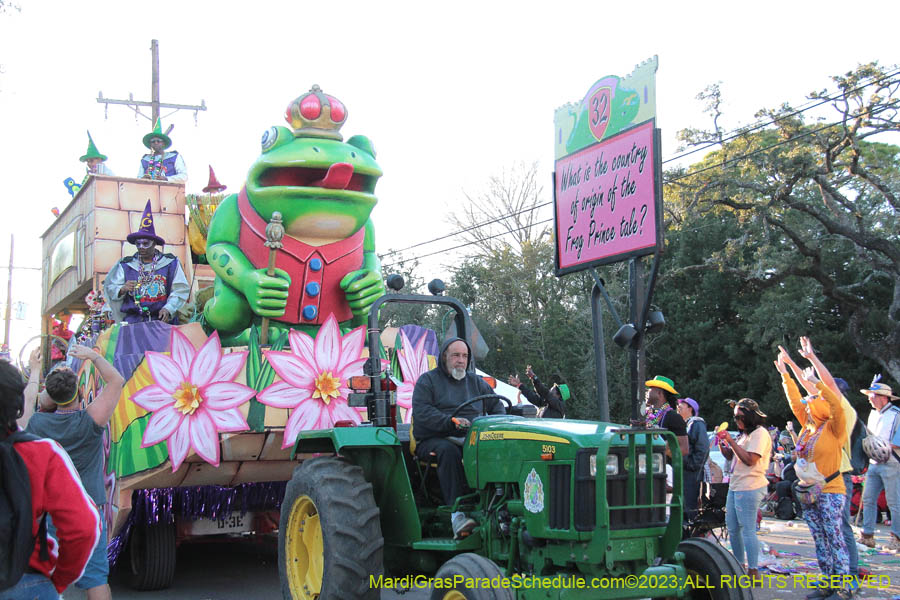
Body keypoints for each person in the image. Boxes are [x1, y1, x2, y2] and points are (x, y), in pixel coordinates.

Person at [20, 346, 125, 600]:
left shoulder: (37, 425)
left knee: (45, 577)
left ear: (51, 397)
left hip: (50, 513)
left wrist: (35, 372)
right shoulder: (90, 421)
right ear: (78, 391)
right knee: (96, 578)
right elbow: (117, 381)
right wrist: (93, 356)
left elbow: (23, 413)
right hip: (89, 508)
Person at [1, 357, 100, 599]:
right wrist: (60, 579)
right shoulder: (40, 452)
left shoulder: (37, 425)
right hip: (25, 579)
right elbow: (83, 527)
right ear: (17, 404)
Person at [777, 343, 852, 599]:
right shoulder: (808, 428)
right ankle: (827, 583)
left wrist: (817, 384)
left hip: (831, 489)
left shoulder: (835, 426)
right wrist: (785, 375)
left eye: (813, 402)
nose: (807, 405)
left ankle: (842, 587)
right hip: (809, 491)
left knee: (834, 537)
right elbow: (796, 402)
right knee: (820, 539)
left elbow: (833, 399)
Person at [412, 338, 505, 539]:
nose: (460, 360)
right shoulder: (427, 381)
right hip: (436, 438)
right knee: (449, 450)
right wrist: (450, 422)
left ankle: (498, 506)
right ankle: (458, 515)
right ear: (445, 356)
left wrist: (501, 420)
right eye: (456, 355)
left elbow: (496, 405)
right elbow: (423, 413)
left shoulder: (475, 382)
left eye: (464, 356)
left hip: (472, 438)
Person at [103, 199, 189, 324]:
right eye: (138, 244)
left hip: (162, 323)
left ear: (154, 244)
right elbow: (111, 287)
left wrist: (168, 308)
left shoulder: (170, 263)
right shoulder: (126, 265)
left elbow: (179, 289)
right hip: (133, 324)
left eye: (145, 243)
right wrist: (122, 289)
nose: (141, 247)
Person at [716, 397, 771, 581]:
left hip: (750, 486)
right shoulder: (745, 434)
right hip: (736, 485)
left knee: (747, 529)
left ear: (750, 416)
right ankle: (739, 566)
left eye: (740, 416)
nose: (737, 420)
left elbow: (750, 460)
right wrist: (723, 443)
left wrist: (731, 441)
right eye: (734, 417)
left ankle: (753, 570)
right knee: (732, 528)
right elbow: (732, 457)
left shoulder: (760, 434)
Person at [857, 376, 900, 552]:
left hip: (892, 462)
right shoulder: (873, 414)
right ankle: (867, 535)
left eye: (872, 395)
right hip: (874, 462)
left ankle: (897, 537)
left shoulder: (897, 414)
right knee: (868, 499)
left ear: (883, 397)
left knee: (894, 502)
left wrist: (879, 446)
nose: (869, 398)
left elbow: (897, 442)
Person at [677, 397, 709, 519]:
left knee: (689, 506)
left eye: (681, 406)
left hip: (691, 473)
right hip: (684, 471)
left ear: (690, 408)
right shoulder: (685, 424)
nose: (678, 409)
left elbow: (703, 448)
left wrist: (691, 465)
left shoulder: (696, 423)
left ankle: (689, 534)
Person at [640, 376, 688, 456]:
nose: (646, 391)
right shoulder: (644, 414)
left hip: (663, 466)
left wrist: (658, 455)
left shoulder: (674, 417)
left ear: (659, 393)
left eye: (650, 389)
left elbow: (684, 449)